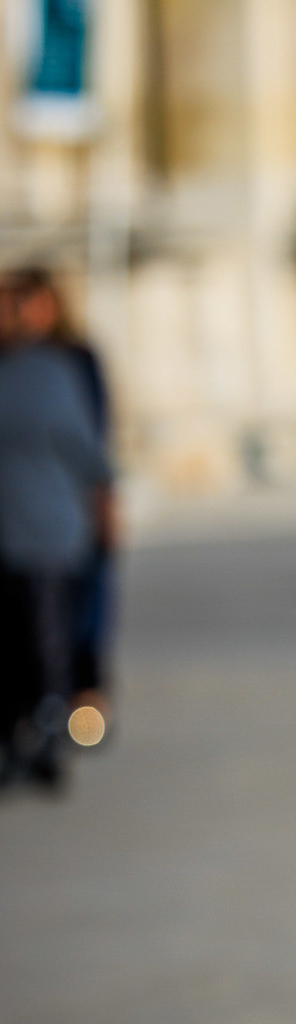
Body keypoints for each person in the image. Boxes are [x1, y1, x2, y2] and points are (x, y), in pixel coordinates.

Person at [0, 270, 113, 785]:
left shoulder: (58, 367)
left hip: (46, 528)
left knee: (51, 638)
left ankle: (59, 726)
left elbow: (88, 448)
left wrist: (103, 507)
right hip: (18, 527)